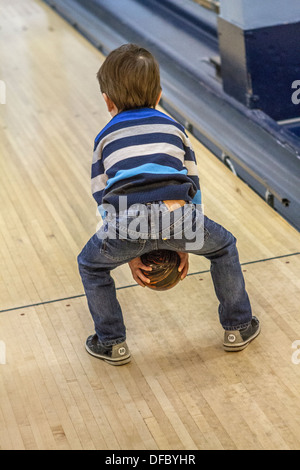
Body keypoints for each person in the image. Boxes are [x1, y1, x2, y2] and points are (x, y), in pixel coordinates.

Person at [77, 43, 260, 366]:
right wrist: (187, 241)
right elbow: (193, 185)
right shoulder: (174, 128)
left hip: (125, 222)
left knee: (91, 265)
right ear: (159, 94)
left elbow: (101, 194)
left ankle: (112, 343)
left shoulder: (104, 137)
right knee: (223, 248)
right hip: (179, 215)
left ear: (108, 101)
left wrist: (128, 250)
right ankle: (238, 328)